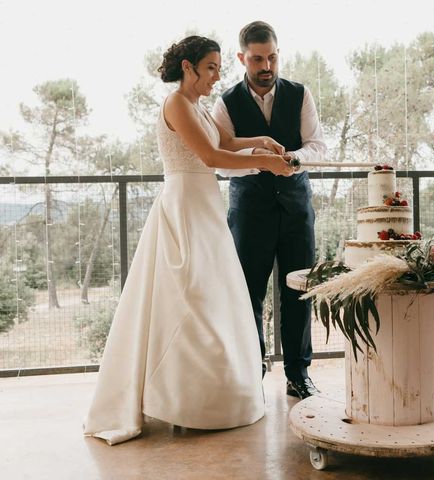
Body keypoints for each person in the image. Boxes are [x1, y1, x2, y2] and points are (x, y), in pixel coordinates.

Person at [83, 35, 293, 446]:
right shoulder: (177, 103)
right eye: (211, 67)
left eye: (218, 67)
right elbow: (211, 159)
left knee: (214, 300)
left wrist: (260, 142)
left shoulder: (198, 106)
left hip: (206, 209)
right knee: (190, 299)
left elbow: (226, 143)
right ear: (188, 68)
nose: (217, 75)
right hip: (184, 207)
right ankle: (182, 400)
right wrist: (266, 164)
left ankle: (211, 397)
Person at [212, 20, 326, 399]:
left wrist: (292, 158)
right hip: (249, 211)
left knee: (298, 289)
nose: (267, 67)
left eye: (272, 57)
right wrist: (260, 161)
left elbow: (317, 147)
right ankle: (252, 370)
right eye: (258, 59)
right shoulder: (224, 103)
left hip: (295, 207)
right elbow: (219, 160)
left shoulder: (300, 94)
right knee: (248, 291)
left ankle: (298, 374)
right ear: (242, 58)